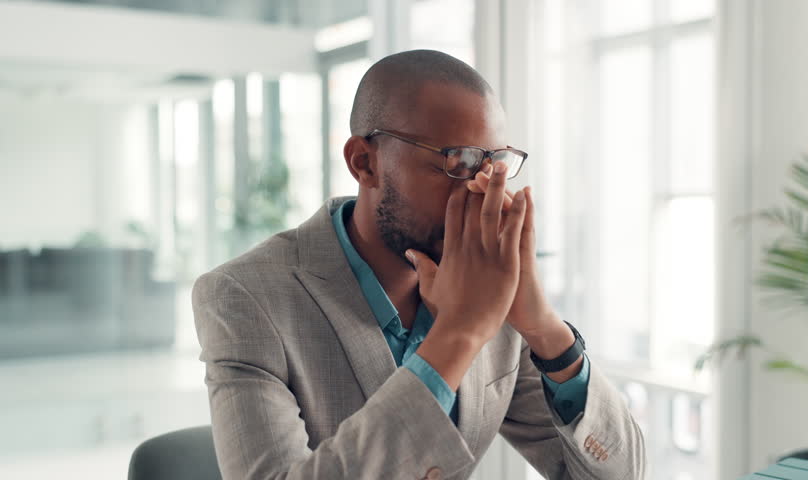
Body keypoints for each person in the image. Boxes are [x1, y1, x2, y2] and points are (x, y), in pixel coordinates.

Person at [192, 49, 646, 480]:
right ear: (364, 163)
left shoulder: (492, 293)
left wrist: (545, 328)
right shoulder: (244, 296)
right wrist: (458, 334)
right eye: (457, 163)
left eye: (494, 165)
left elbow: (618, 474)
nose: (479, 192)